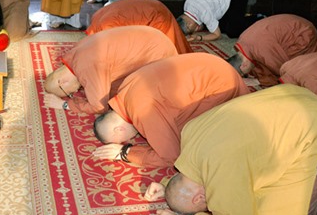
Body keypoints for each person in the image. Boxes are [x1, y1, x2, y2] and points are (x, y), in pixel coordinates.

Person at [151, 84, 317, 215]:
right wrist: (167, 189)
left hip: (314, 131)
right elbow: (184, 183)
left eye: (205, 206)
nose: (210, 206)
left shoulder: (221, 174)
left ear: (199, 198)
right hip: (295, 96)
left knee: (283, 212)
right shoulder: (190, 134)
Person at [92, 53, 249, 168]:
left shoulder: (142, 111)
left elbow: (171, 156)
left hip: (222, 83)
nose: (128, 140)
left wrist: (125, 152)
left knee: (188, 140)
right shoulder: (124, 89)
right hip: (214, 63)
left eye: (121, 140)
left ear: (119, 129)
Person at [42, 26, 178, 114]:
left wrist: (65, 105)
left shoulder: (86, 67)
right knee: (112, 93)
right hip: (154, 37)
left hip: (160, 56)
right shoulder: (75, 53)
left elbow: (99, 107)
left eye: (69, 93)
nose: (75, 92)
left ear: (63, 82)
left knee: (125, 104)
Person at [227, 13, 317, 87]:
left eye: (244, 73)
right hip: (292, 24)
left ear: (243, 66)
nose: (246, 74)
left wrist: (258, 81)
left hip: (303, 33)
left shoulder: (261, 50)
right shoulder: (242, 39)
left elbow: (280, 68)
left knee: (291, 71)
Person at [86, 0, 192, 54]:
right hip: (154, 9)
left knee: (167, 50)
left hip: (156, 15)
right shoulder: (98, 20)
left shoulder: (105, 28)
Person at [176, 0, 258, 41]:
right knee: (221, 27)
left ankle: (258, 19)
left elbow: (217, 35)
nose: (194, 31)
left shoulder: (204, 13)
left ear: (189, 25)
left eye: (191, 31)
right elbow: (201, 24)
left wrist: (199, 38)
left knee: (233, 31)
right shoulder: (187, 4)